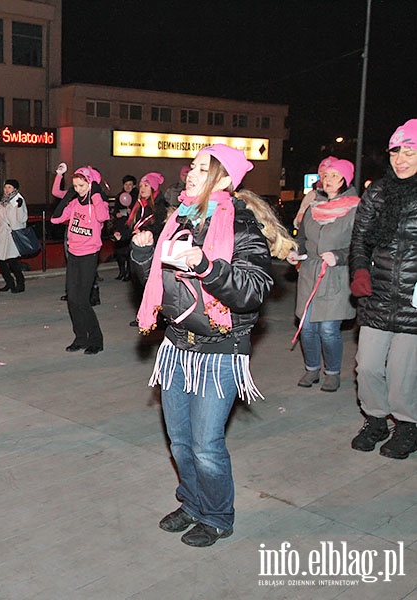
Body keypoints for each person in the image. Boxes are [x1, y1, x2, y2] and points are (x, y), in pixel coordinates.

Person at [131, 144, 294, 547]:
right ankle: (191, 502)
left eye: (203, 169)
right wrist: (140, 254)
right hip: (175, 346)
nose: (191, 173)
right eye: (193, 167)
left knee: (206, 445)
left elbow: (255, 289)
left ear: (223, 179)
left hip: (220, 349)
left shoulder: (240, 223)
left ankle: (218, 515)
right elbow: (159, 286)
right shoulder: (179, 217)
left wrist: (206, 266)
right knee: (180, 440)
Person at [349, 118, 417, 459]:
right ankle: (375, 419)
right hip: (377, 295)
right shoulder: (377, 191)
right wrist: (359, 269)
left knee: (404, 373)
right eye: (395, 151)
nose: (400, 159)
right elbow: (359, 236)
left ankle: (407, 425)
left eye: (409, 151)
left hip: (414, 301)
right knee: (369, 366)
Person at [286, 158, 359, 392]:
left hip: (336, 275)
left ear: (345, 180)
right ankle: (312, 368)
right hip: (310, 273)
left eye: (335, 176)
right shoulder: (313, 207)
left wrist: (339, 255)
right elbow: (303, 241)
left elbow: (361, 245)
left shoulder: (355, 208)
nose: (328, 181)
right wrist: (295, 253)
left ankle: (333, 372)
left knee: (328, 329)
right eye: (326, 176)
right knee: (307, 327)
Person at [51, 165, 110, 354]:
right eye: (75, 186)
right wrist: (68, 196)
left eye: (82, 186)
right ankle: (80, 337)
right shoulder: (75, 203)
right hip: (74, 254)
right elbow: (56, 218)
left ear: (91, 184)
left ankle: (96, 340)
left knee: (82, 301)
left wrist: (96, 195)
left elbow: (102, 217)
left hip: (89, 255)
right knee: (73, 300)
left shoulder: (98, 203)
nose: (78, 189)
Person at [0, 178, 28, 293]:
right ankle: (9, 282)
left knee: (13, 261)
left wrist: (20, 207)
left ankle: (20, 284)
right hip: (2, 235)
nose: (7, 190)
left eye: (9, 187)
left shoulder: (18, 199)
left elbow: (22, 219)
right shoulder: (3, 201)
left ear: (15, 189)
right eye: (5, 187)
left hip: (13, 235)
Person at [294, 156, 337, 229]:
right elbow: (298, 222)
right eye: (321, 171)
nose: (323, 175)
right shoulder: (312, 195)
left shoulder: (345, 197)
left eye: (327, 172)